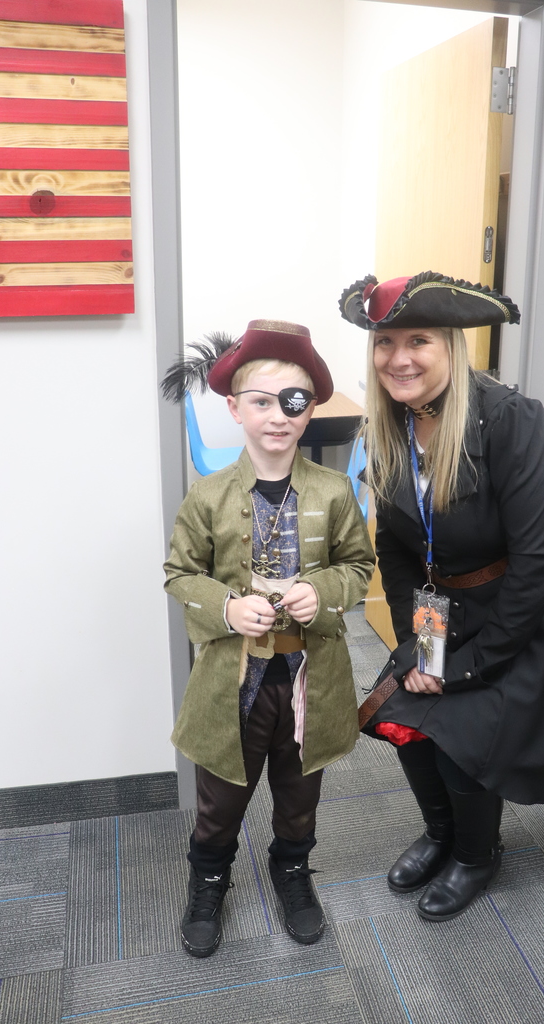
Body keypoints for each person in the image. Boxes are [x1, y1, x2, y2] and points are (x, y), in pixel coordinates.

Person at [339, 271, 544, 922]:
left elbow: (534, 561)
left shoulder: (509, 420)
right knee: (405, 702)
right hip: (452, 596)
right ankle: (443, 835)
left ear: (450, 347)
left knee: (464, 724)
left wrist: (467, 666)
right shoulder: (388, 429)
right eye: (385, 342)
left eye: (418, 340)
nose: (400, 357)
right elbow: (395, 549)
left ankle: (476, 853)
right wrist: (423, 645)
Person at [162, 319, 374, 955]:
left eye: (293, 402)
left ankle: (291, 870)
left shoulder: (336, 493)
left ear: (309, 411)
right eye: (260, 401)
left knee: (299, 792)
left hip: (309, 679)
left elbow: (359, 567)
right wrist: (228, 610)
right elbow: (179, 572)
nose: (277, 417)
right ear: (235, 409)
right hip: (234, 681)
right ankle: (209, 877)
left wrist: (326, 590)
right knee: (221, 799)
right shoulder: (207, 496)